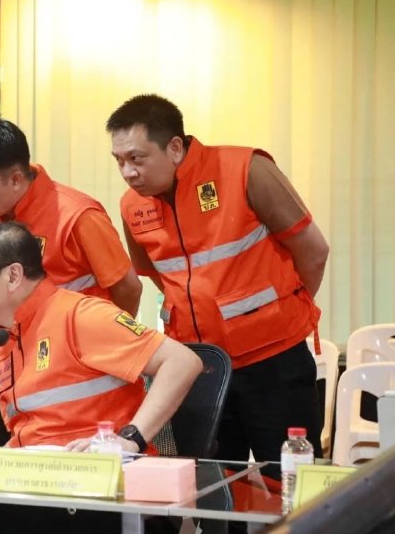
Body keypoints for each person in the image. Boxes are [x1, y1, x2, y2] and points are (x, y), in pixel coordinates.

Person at [106, 94, 330, 472]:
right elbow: (164, 278)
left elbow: (313, 251)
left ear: (174, 147)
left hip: (274, 361)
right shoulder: (132, 206)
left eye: (137, 158)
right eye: (119, 161)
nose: (128, 172)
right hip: (200, 367)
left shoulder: (244, 169)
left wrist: (284, 310)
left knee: (292, 488)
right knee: (214, 490)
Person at [0, 221, 202, 452]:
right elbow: (30, 433)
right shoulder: (4, 342)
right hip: (37, 478)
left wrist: (131, 439)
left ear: (13, 276)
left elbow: (182, 362)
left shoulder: (81, 316)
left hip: (103, 476)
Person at [0, 117, 143, 315]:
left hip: (79, 340)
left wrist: (109, 340)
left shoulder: (78, 216)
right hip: (18, 340)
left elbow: (128, 289)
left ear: (15, 180)